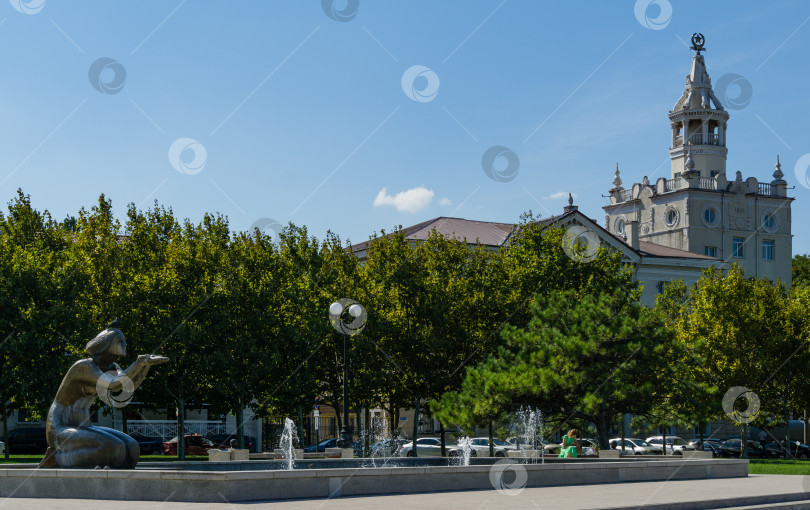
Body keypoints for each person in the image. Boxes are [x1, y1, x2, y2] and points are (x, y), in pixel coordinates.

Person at [39, 325, 168, 469]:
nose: (125, 344)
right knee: (113, 448)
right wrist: (139, 363)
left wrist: (146, 365)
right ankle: (56, 458)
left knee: (132, 448)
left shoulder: (113, 366)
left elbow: (125, 387)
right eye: (120, 341)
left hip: (84, 426)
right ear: (106, 344)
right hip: (60, 427)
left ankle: (69, 458)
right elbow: (112, 384)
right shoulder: (83, 366)